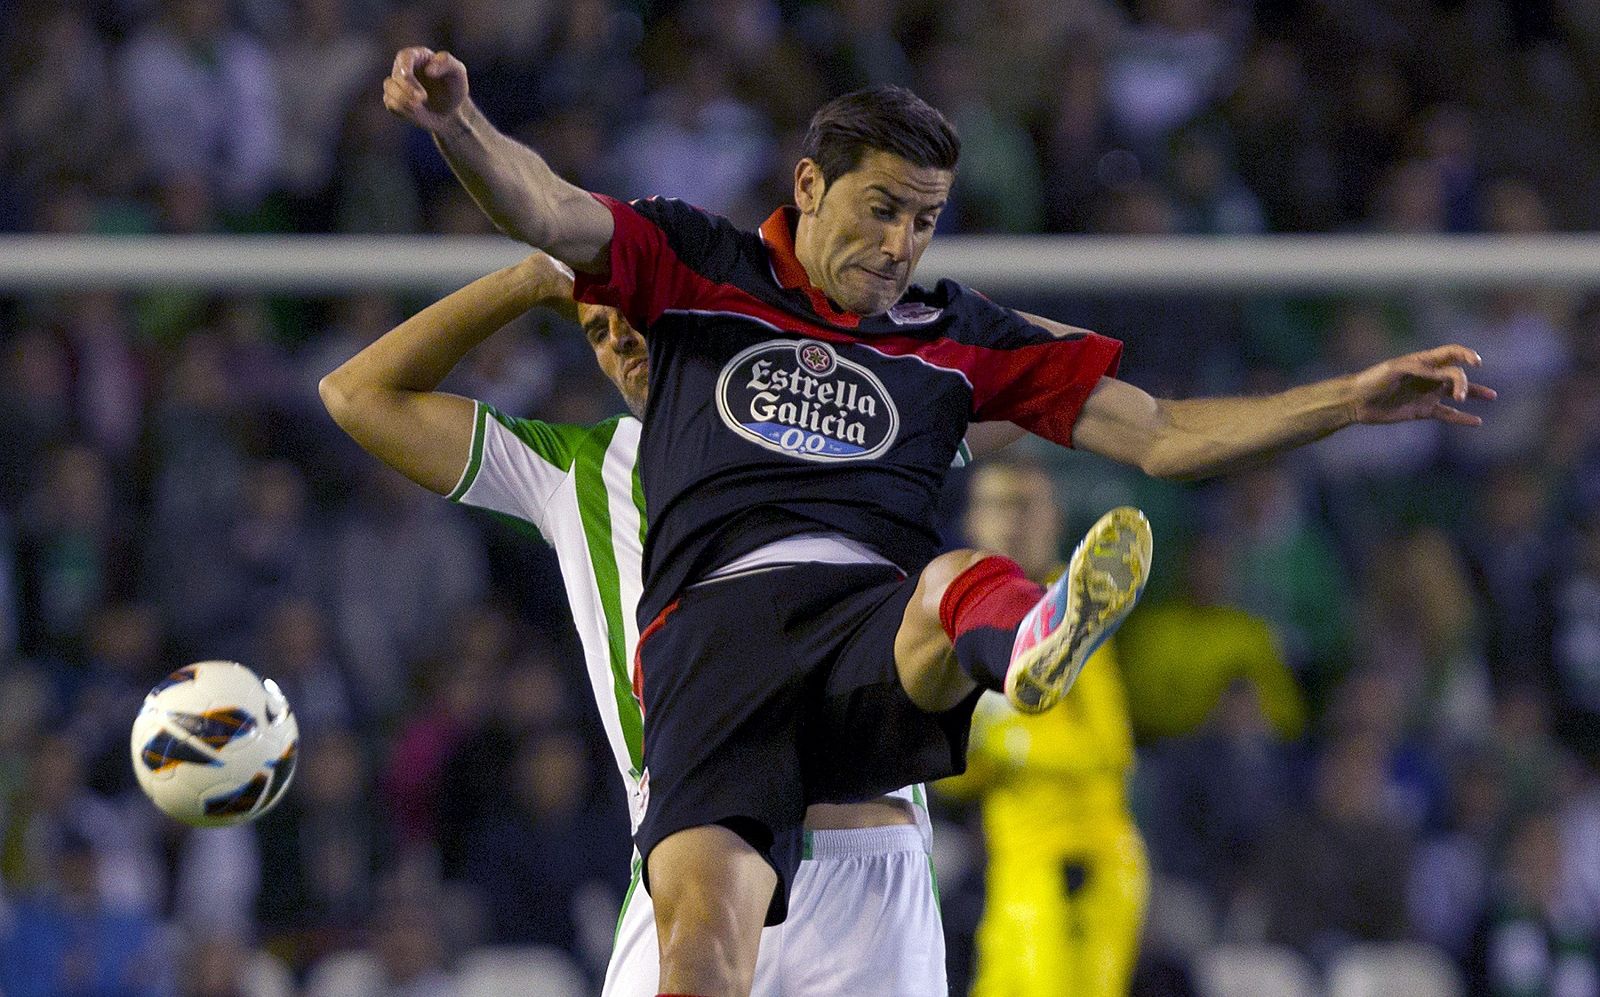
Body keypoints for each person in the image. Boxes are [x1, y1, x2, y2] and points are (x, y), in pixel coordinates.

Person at [383, 48, 1493, 996]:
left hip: (865, 622)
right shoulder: (695, 265)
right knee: (703, 954)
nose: (902, 242)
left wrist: (1345, 400)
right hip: (715, 642)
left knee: (953, 578)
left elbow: (1159, 432)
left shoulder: (956, 337)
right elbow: (546, 206)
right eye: (882, 209)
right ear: (809, 186)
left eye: (925, 220)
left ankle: (1030, 642)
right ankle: (1014, 638)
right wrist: (457, 122)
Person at [321, 252, 1006, 993]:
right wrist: (532, 281)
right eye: (598, 330)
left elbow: (1023, 387)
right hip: (687, 853)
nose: (622, 344)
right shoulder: (579, 470)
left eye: (642, 319)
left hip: (864, 858)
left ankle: (1012, 628)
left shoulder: (830, 427)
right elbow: (358, 394)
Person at [939, 456, 1147, 996]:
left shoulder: (1073, 609)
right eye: (996, 506)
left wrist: (1006, 739)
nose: (1010, 522)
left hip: (1079, 866)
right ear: (972, 523)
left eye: (1025, 506)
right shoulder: (969, 623)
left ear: (1054, 520)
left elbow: (1110, 747)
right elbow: (954, 779)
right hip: (1016, 868)